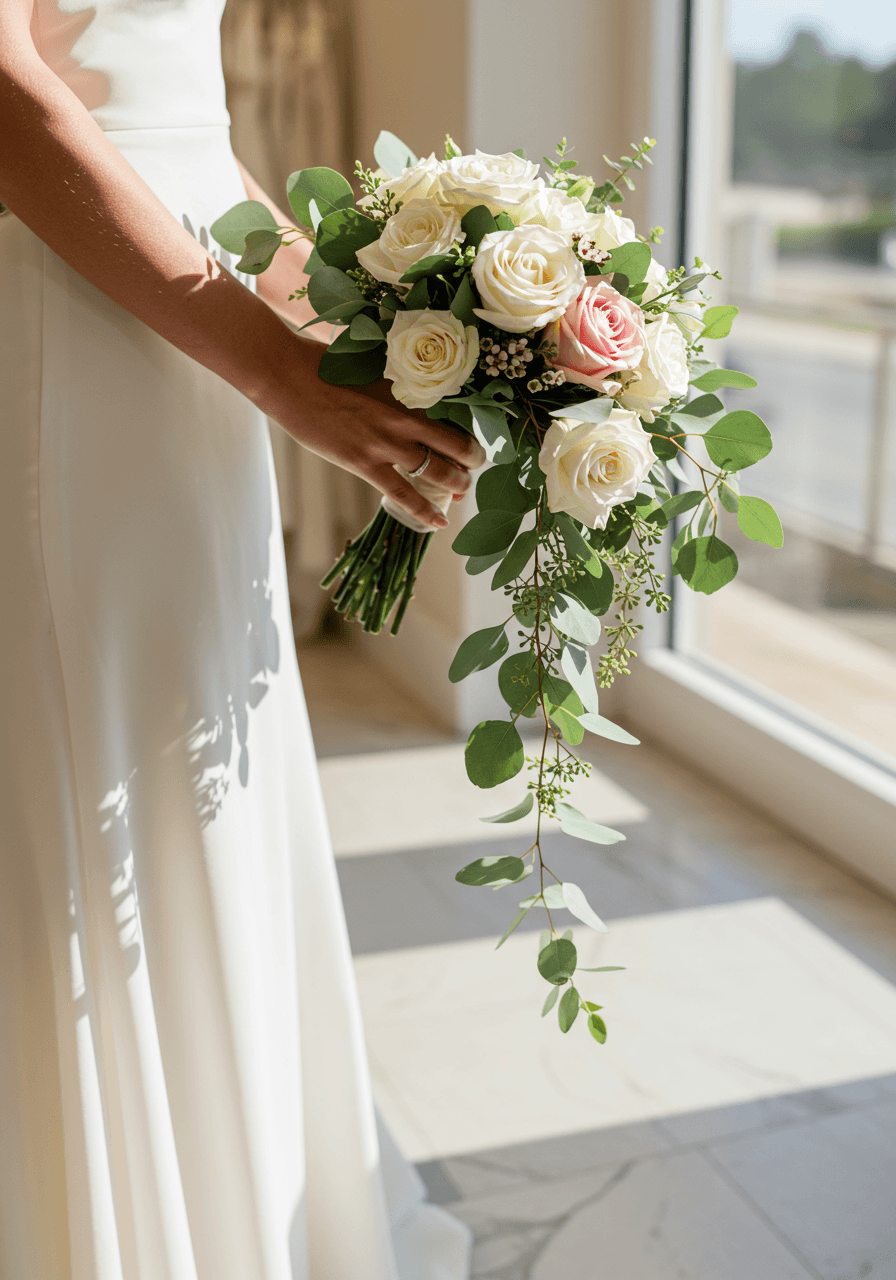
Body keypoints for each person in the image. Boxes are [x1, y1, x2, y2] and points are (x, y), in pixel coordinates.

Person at [0, 0, 483, 1276]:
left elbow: (181, 124)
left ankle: (233, 1184)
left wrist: (357, 327)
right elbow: (13, 99)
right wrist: (274, 372)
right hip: (69, 305)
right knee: (93, 752)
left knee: (205, 752)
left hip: (187, 315)